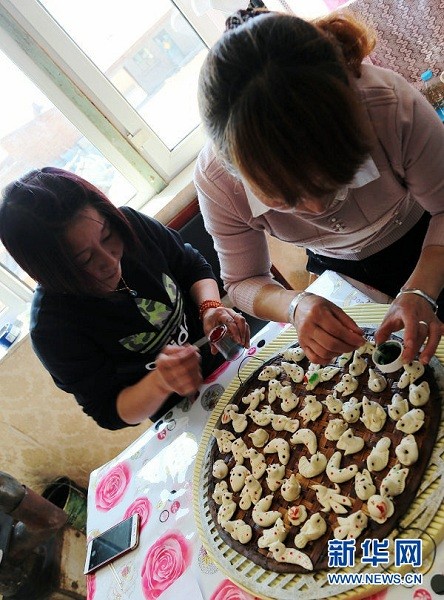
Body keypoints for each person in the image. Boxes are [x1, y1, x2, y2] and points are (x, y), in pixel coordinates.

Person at [195, 8, 444, 367]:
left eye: (331, 182)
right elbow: (243, 282)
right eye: (287, 198)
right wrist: (296, 305)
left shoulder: (387, 105)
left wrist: (421, 288)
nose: (316, 210)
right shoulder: (218, 183)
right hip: (341, 272)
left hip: (428, 236)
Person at [0, 168, 250, 430]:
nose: (110, 262)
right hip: (181, 413)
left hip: (229, 362)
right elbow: (108, 411)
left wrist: (210, 307)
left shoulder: (130, 223)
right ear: (50, 273)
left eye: (107, 236)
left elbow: (192, 266)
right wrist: (160, 381)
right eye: (84, 260)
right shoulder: (52, 328)